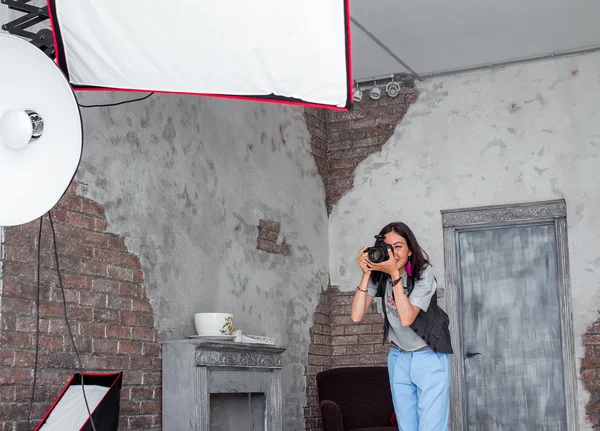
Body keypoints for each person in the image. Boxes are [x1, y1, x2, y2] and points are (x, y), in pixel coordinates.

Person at [351, 221, 452, 431]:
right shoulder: (380, 275)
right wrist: (367, 273)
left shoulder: (423, 274)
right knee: (407, 427)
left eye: (398, 246)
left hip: (429, 357)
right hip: (399, 358)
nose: (392, 252)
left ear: (409, 251)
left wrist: (395, 275)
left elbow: (406, 319)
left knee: (431, 427)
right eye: (387, 247)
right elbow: (356, 315)